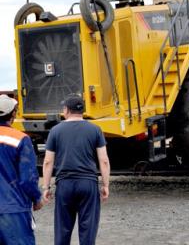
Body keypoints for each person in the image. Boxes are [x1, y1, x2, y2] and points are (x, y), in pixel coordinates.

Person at [42, 94, 110, 245]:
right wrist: (105, 185)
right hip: (88, 184)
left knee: (62, 230)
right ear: (83, 110)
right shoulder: (95, 130)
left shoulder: (55, 131)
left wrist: (46, 187)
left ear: (66, 110)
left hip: (64, 184)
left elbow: (47, 162)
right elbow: (104, 160)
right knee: (88, 231)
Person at [0, 94, 43, 245]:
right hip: (13, 209)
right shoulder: (20, 139)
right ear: (13, 113)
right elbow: (27, 178)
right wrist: (36, 198)